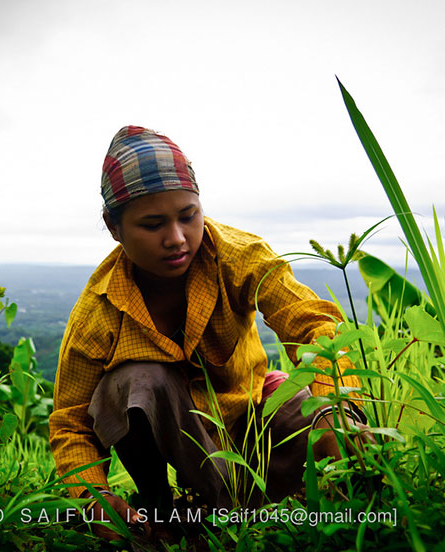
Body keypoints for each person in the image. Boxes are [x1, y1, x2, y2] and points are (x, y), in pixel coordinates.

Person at [49, 125, 373, 541]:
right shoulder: (99, 311)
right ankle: (159, 512)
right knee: (137, 380)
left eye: (189, 216)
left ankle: (302, 509)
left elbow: (313, 325)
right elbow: (69, 422)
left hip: (255, 418)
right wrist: (92, 495)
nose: (177, 238)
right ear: (114, 227)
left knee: (331, 421)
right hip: (185, 445)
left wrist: (333, 411)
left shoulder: (240, 257)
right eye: (152, 224)